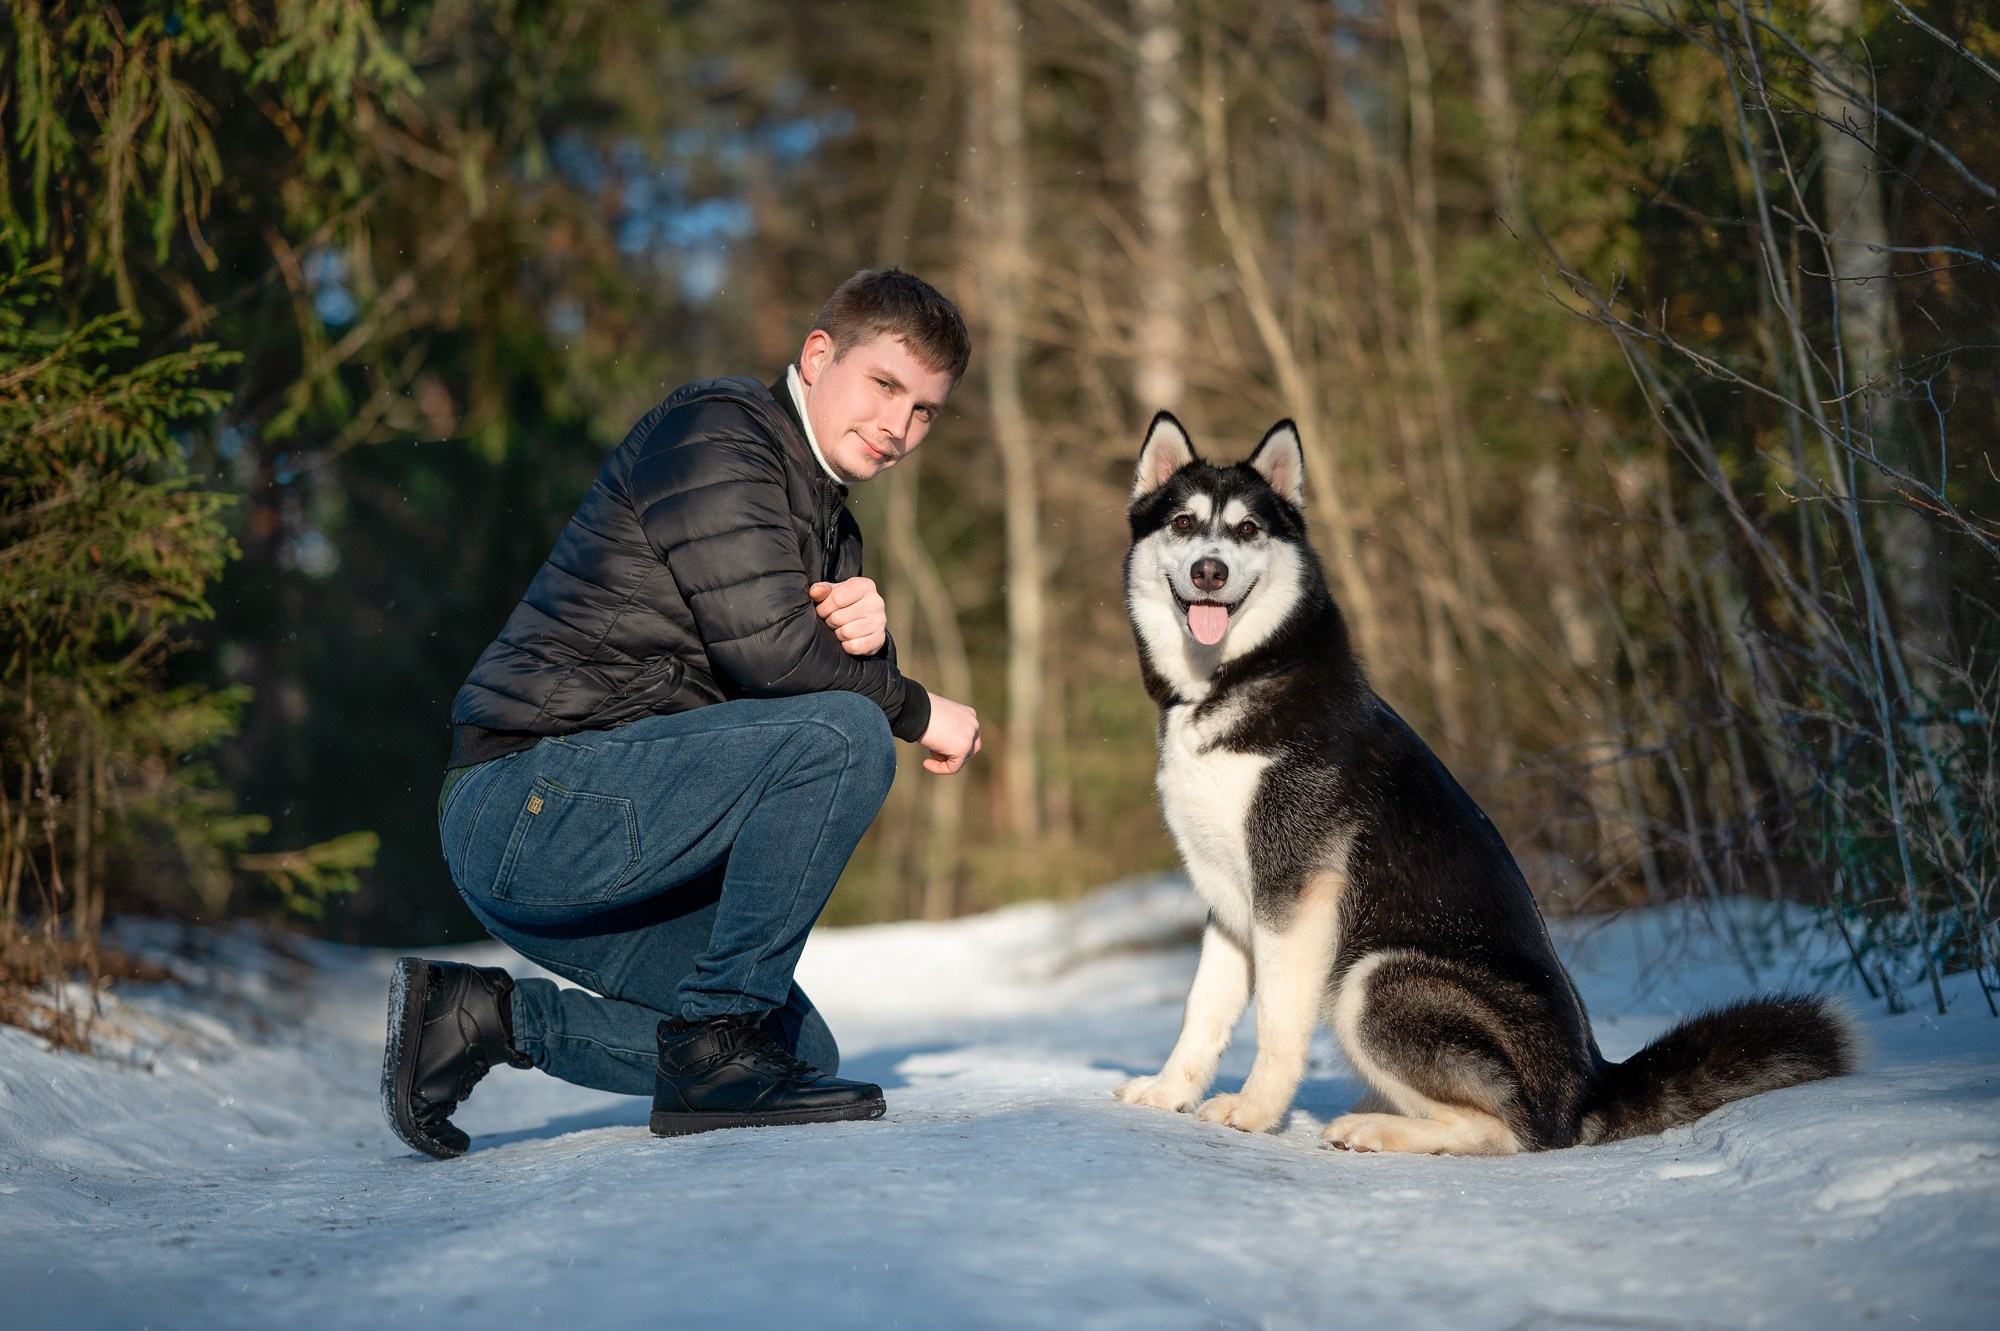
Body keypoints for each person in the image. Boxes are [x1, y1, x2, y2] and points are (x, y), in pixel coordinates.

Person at [382, 269, 980, 1159]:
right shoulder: (718, 435)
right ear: (819, 358)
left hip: (620, 835)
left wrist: (873, 641)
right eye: (885, 385)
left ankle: (481, 1018)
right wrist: (916, 704)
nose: (899, 426)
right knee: (850, 736)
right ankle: (714, 1052)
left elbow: (776, 712)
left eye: (925, 409)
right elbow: (777, 662)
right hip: (530, 798)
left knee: (793, 1051)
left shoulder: (829, 524)